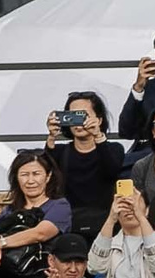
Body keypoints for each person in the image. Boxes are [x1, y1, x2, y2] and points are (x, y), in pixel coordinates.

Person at [0, 148, 72, 278]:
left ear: (48, 176)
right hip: (7, 270)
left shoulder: (59, 206)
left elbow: (40, 233)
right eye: (24, 175)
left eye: (36, 174)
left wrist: (1, 242)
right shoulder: (9, 211)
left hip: (40, 272)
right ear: (17, 178)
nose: (30, 180)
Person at [45, 90, 126, 239]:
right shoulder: (60, 152)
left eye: (83, 116)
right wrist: (51, 137)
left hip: (106, 226)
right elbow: (45, 172)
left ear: (99, 120)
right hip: (69, 227)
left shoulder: (114, 149)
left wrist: (98, 135)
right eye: (73, 116)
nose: (78, 122)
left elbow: (111, 170)